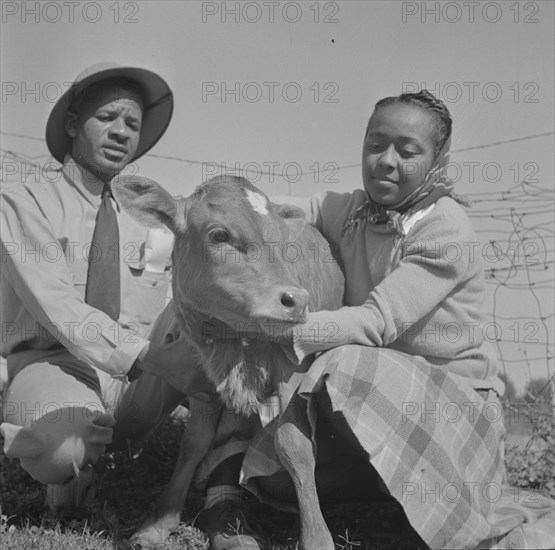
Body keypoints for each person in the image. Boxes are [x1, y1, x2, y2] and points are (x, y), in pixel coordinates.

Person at [236, 90, 555, 549]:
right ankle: (379, 487)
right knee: (275, 476)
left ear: (438, 162)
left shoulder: (446, 230)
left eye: (407, 152)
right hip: (383, 398)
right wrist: (222, 211)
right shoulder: (351, 210)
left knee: (344, 361)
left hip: (455, 407)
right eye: (374, 144)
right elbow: (283, 211)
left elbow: (375, 322)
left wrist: (277, 328)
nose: (385, 161)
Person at [0, 62, 260, 550]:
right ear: (74, 124)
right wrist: (155, 358)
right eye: (108, 117)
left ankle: (223, 491)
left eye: (133, 124)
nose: (122, 132)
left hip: (135, 384)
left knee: (222, 309)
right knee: (63, 450)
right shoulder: (21, 203)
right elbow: (57, 305)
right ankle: (68, 465)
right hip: (54, 363)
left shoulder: (149, 220)